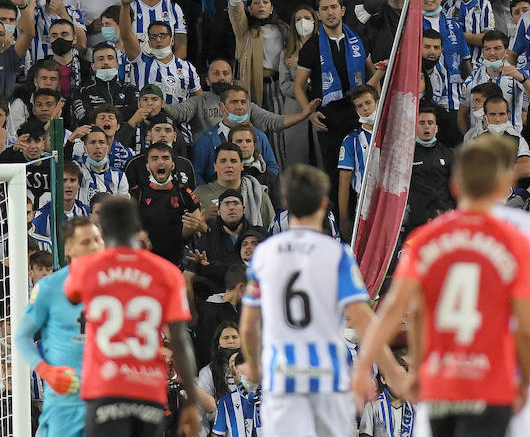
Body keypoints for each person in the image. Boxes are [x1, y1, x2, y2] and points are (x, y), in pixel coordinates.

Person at [351, 135, 530, 437]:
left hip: (442, 383)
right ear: (499, 185)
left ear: (454, 187)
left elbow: (403, 312)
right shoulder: (512, 242)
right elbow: (527, 323)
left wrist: (366, 367)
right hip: (488, 380)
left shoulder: (426, 240)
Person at [240, 164, 398, 435]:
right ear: (324, 203)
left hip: (282, 379)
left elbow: (249, 325)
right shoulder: (337, 253)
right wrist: (390, 371)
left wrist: (254, 366)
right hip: (327, 378)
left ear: (286, 202)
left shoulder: (265, 254)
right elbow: (363, 319)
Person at [64, 196, 211, 437]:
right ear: (137, 227)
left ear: (104, 230)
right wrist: (192, 401)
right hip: (148, 391)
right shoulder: (167, 273)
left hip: (104, 390)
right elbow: (180, 341)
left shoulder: (84, 270)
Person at [14, 217, 105, 437]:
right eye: (86, 242)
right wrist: (46, 370)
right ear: (69, 249)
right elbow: (22, 337)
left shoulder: (115, 285)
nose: (94, 246)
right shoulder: (49, 288)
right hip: (64, 405)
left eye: (97, 240)